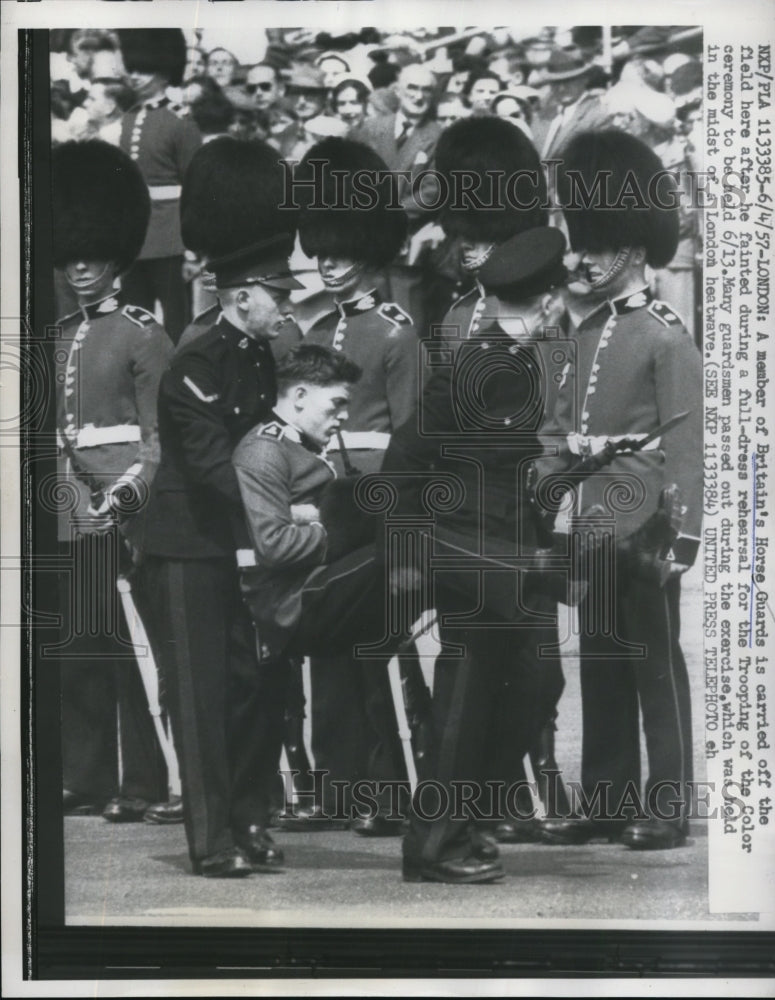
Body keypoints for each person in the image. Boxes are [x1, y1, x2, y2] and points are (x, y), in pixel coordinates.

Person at [140, 138, 303, 878]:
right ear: (242, 296)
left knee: (252, 687)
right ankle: (211, 840)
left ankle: (250, 819)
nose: (287, 303)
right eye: (279, 292)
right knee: (204, 696)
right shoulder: (197, 357)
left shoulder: (257, 353)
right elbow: (213, 466)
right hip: (187, 543)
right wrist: (280, 514)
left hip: (238, 540)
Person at [535, 130, 702, 850]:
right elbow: (553, 429)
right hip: (590, 522)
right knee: (599, 663)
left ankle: (666, 805)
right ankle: (607, 798)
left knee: (653, 666)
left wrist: (684, 533)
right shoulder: (582, 332)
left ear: (629, 250)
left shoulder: (665, 333)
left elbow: (687, 443)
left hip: (644, 525)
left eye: (594, 244)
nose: (579, 256)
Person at [422, 116, 574, 844]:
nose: (470, 250)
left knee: (536, 670)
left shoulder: (548, 317)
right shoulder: (455, 318)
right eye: (465, 240)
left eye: (480, 240)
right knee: (477, 668)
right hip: (474, 526)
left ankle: (533, 791)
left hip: (532, 510)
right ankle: (487, 802)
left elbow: (555, 413)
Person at [293, 137, 421, 834]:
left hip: (377, 503)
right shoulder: (322, 327)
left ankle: (390, 788)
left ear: (367, 249)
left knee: (377, 650)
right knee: (327, 645)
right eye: (321, 250)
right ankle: (339, 784)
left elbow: (407, 437)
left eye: (340, 250)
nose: (328, 262)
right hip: (329, 501)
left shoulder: (396, 332)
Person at [52, 139, 174, 822]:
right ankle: (89, 773)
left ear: (117, 258)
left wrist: (125, 494)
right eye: (70, 257)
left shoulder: (144, 334)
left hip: (126, 506)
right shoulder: (64, 332)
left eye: (90, 257)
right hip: (73, 504)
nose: (78, 269)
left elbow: (160, 439)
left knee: (137, 649)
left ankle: (146, 781)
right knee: (82, 640)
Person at [117, 29, 203, 343]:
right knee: (134, 319)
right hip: (134, 236)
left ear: (164, 72)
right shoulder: (127, 119)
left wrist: (193, 250)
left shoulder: (181, 121)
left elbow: (195, 187)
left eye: (144, 69)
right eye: (132, 67)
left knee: (176, 322)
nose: (134, 75)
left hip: (171, 238)